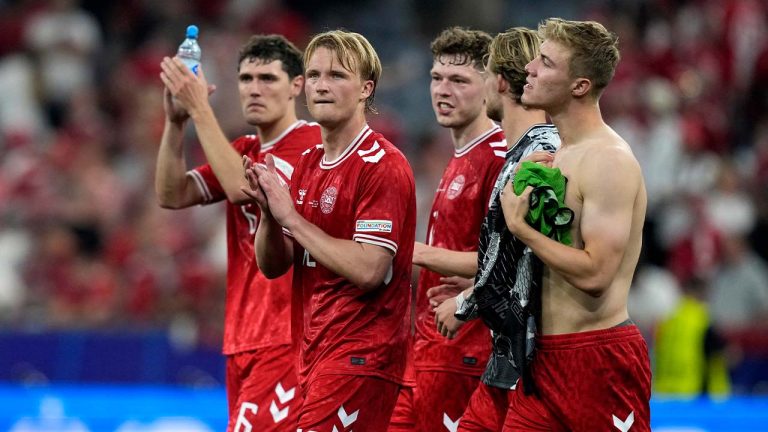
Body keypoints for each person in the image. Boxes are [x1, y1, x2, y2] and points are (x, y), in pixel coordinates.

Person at [243, 30, 416, 432]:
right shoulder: (307, 162)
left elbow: (370, 270)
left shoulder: (382, 164)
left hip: (360, 355)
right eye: (315, 74)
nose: (321, 85)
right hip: (310, 353)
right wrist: (270, 214)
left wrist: (292, 218)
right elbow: (273, 266)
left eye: (337, 75)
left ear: (365, 89)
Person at [155, 35, 321, 432]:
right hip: (244, 336)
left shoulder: (311, 145)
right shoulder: (244, 148)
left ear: (297, 85)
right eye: (246, 78)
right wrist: (176, 123)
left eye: (268, 78)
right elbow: (172, 193)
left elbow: (239, 188)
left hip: (289, 334)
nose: (254, 89)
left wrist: (199, 109)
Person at [499, 18, 651, 431]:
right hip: (541, 356)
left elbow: (597, 273)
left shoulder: (609, 160)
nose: (530, 68)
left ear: (580, 86)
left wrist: (523, 228)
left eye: (546, 62)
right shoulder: (557, 155)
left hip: (599, 359)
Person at [432, 27, 560, 432]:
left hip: (538, 359)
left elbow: (532, 259)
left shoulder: (542, 154)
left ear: (500, 82)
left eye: (481, 75)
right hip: (508, 358)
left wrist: (467, 302)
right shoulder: (517, 154)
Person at [391, 26, 506, 432]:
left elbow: (513, 260)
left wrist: (411, 251)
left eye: (459, 80)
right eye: (437, 78)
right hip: (432, 348)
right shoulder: (461, 155)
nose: (443, 90)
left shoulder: (499, 158)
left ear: (493, 85)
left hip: (468, 351)